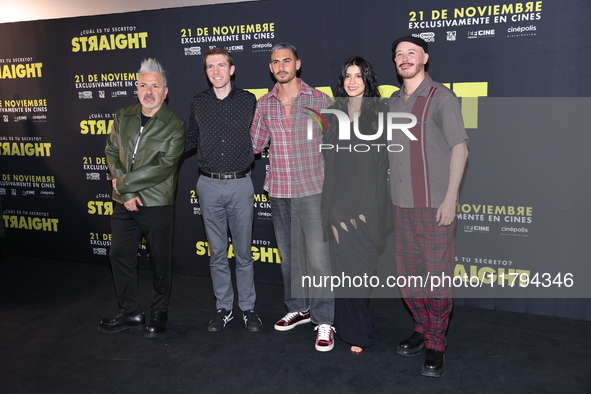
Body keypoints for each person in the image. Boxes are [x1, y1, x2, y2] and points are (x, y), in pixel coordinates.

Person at [388, 36, 469, 377]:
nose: (404, 59)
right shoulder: (392, 102)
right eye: (398, 55)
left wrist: (450, 198)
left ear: (425, 58)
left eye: (411, 53)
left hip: (435, 206)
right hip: (400, 206)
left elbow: (460, 148)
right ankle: (422, 327)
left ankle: (436, 342)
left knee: (437, 279)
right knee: (408, 279)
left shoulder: (441, 97)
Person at [250, 43, 335, 351]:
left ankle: (324, 319)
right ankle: (298, 307)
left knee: (319, 259)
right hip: (279, 190)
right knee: (290, 258)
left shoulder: (320, 99)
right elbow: (254, 144)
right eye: (275, 62)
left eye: (287, 60)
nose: (281, 66)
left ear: (297, 64)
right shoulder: (264, 104)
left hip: (314, 190)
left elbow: (335, 144)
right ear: (271, 68)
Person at [99, 58, 186, 338]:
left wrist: (123, 185)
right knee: (120, 254)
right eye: (143, 85)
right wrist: (126, 192)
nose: (149, 91)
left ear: (165, 91)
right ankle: (131, 311)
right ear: (137, 89)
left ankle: (159, 311)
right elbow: (112, 152)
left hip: (156, 202)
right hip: (124, 201)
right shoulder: (122, 115)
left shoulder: (174, 124)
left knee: (160, 260)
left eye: (155, 86)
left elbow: (163, 167)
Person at [185, 48, 261, 332]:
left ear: (232, 69)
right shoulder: (199, 102)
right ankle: (223, 308)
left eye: (221, 65)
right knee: (217, 253)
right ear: (206, 72)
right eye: (210, 67)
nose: (216, 71)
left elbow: (261, 136)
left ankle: (248, 309)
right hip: (208, 185)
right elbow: (190, 138)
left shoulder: (248, 100)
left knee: (243, 253)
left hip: (241, 183)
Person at [321, 56, 390, 354]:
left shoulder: (381, 112)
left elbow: (386, 161)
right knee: (344, 268)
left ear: (367, 80)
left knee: (362, 266)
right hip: (338, 200)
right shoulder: (333, 112)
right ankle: (355, 331)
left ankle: (356, 327)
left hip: (368, 202)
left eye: (358, 76)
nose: (352, 81)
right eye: (347, 76)